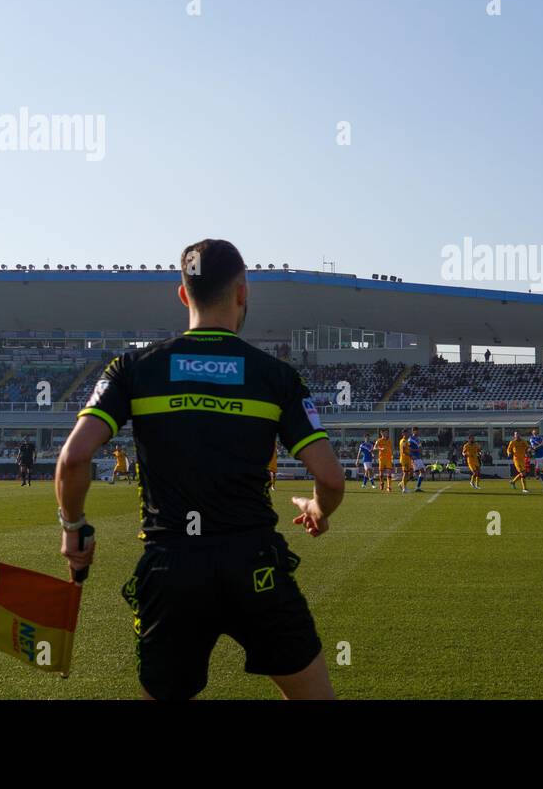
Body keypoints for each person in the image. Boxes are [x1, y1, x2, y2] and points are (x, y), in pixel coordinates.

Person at [55, 238, 344, 700]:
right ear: (242, 292)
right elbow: (330, 478)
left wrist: (73, 526)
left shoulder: (132, 368)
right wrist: (316, 507)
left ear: (183, 293)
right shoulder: (276, 377)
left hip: (173, 570)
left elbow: (72, 458)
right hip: (255, 566)